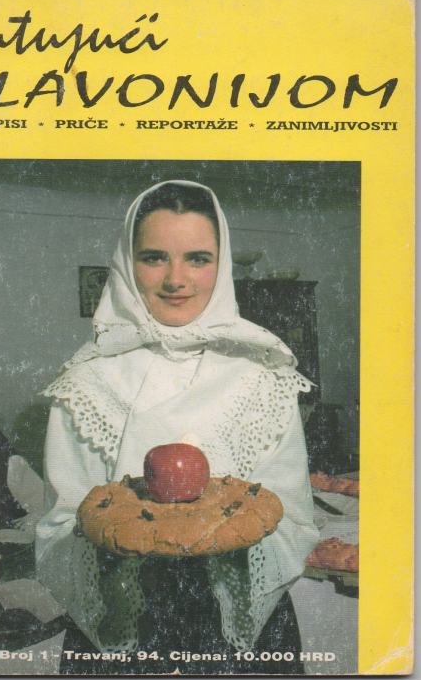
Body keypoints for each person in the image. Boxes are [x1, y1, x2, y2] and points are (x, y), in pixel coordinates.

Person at [35, 180, 319, 674]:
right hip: (122, 619)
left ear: (220, 266)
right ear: (127, 264)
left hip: (242, 620)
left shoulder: (264, 374)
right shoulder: (85, 382)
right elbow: (60, 524)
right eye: (154, 258)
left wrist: (217, 540)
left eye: (197, 259)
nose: (176, 279)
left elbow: (292, 516)